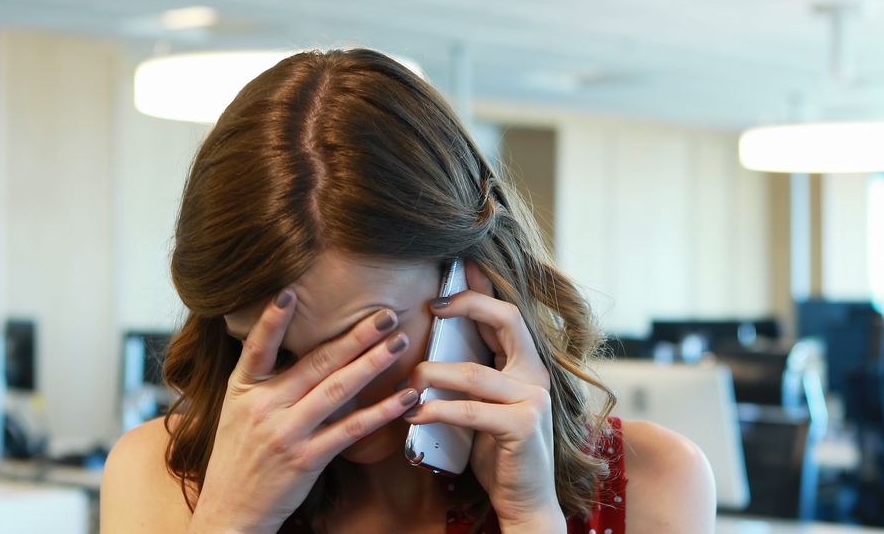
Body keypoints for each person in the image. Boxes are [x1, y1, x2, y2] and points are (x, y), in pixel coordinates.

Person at [101, 48, 715, 533]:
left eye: (366, 345)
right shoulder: (160, 475)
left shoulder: (657, 481)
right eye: (278, 357)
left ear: (472, 280)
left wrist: (530, 520)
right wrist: (230, 525)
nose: (330, 396)